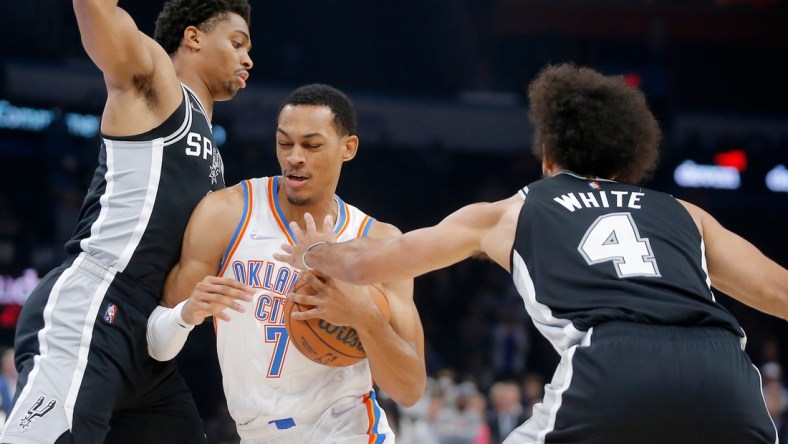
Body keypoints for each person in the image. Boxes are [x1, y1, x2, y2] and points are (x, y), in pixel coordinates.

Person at [275, 64, 788, 443]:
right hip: (727, 373)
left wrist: (314, 252)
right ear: (629, 158)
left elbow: (371, 262)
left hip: (613, 363)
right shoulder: (684, 212)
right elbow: (777, 291)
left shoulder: (509, 212)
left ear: (547, 156)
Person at [1, 1, 253, 442]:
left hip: (148, 338)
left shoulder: (213, 154)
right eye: (236, 43)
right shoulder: (157, 83)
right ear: (192, 38)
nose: (248, 58)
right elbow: (96, 12)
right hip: (96, 303)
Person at [147, 83, 427, 442]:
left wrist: (364, 314)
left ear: (348, 148)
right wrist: (187, 312)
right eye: (284, 143)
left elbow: (410, 389)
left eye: (311, 145)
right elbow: (157, 336)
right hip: (256, 432)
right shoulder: (227, 213)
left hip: (346, 428)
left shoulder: (378, 243)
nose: (295, 156)